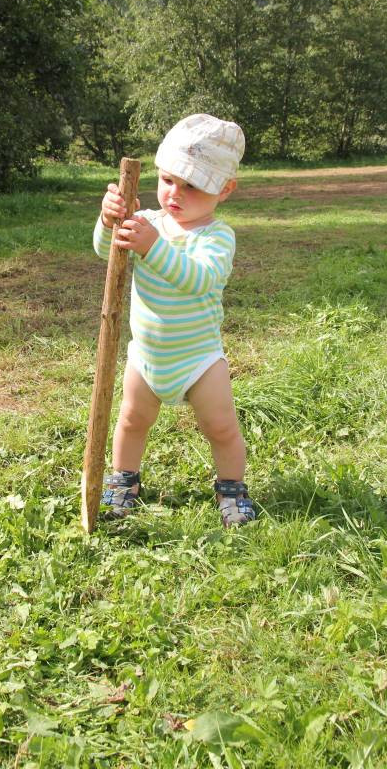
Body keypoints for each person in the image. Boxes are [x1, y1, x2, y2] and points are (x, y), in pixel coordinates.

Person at [92, 113, 255, 527]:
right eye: (167, 180)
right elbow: (106, 252)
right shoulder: (148, 223)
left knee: (221, 427)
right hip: (146, 357)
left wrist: (153, 248)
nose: (174, 194)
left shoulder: (217, 237)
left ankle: (232, 489)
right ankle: (124, 481)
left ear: (225, 189)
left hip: (199, 360)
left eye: (192, 185)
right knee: (131, 420)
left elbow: (198, 279)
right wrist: (108, 221)